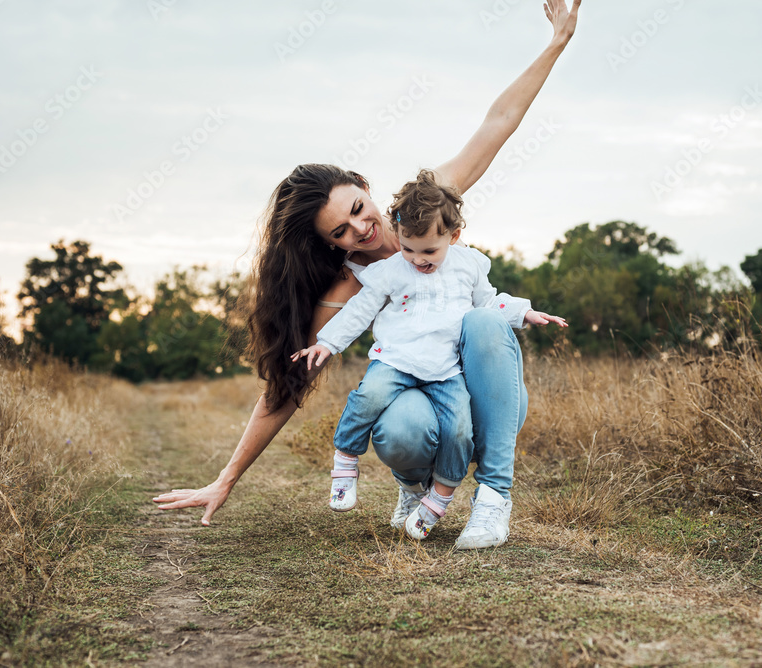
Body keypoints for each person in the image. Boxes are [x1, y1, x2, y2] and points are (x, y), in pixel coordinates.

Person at [152, 0, 582, 550]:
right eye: (341, 231)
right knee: (398, 425)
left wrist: (554, 45)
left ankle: (494, 496)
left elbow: (497, 123)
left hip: (481, 392)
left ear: (363, 184)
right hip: (424, 401)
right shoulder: (351, 284)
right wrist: (226, 478)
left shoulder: (424, 207)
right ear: (329, 246)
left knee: (485, 322)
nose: (362, 228)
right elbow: (288, 387)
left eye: (358, 207)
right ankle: (414, 486)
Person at [292, 171, 566, 540]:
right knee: (368, 396)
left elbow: (488, 301)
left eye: (429, 252)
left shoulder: (468, 265)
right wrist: (326, 343)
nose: (417, 260)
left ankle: (439, 504)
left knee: (459, 430)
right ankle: (345, 466)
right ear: (400, 235)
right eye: (408, 249)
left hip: (446, 371)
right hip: (396, 361)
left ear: (453, 237)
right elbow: (359, 310)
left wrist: (523, 312)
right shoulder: (390, 270)